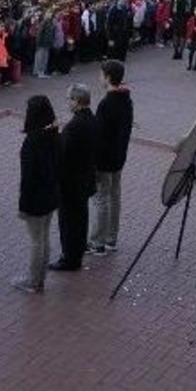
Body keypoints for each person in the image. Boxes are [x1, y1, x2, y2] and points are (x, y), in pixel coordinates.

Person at [14, 95, 60, 294]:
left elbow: (28, 176)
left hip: (35, 197)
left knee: (36, 239)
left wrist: (23, 204)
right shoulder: (54, 135)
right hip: (51, 194)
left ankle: (33, 280)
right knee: (44, 237)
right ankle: (40, 277)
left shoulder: (32, 142)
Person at [50, 83, 97, 272]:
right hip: (85, 178)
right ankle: (77, 250)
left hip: (71, 182)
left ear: (76, 101)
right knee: (81, 217)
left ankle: (70, 257)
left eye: (69, 99)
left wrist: (56, 136)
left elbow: (63, 153)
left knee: (69, 221)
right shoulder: (92, 120)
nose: (68, 103)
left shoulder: (75, 126)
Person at [89, 60, 132, 256]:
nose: (99, 78)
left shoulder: (106, 104)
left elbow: (99, 135)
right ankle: (111, 238)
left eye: (101, 75)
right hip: (119, 156)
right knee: (115, 196)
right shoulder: (126, 100)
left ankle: (97, 242)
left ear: (108, 77)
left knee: (101, 199)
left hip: (104, 160)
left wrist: (94, 160)